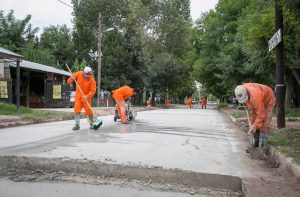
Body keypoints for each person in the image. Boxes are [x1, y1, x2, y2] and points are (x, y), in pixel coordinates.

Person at [234, 83, 276, 159]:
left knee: (264, 125)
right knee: (254, 120)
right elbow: (253, 112)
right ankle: (255, 144)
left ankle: (262, 151)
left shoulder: (256, 97)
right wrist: (253, 126)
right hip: (256, 98)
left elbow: (261, 115)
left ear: (247, 92)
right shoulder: (242, 89)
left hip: (268, 99)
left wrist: (254, 126)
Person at [67, 66, 96, 130]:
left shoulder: (92, 80)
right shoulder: (78, 73)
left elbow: (93, 91)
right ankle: (77, 125)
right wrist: (72, 78)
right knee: (76, 110)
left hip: (86, 97)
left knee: (89, 111)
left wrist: (87, 96)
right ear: (83, 72)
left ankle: (92, 123)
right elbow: (69, 81)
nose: (88, 76)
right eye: (87, 75)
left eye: (89, 75)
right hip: (78, 96)